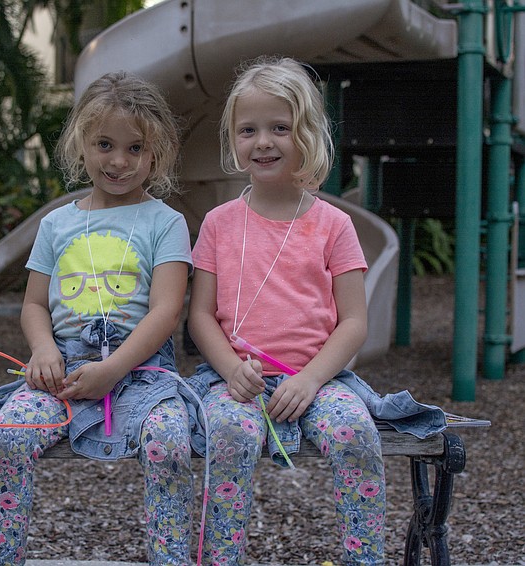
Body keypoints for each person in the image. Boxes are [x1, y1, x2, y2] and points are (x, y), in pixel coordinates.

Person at [0, 71, 194, 565]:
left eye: (135, 148)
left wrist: (114, 368)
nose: (118, 161)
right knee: (8, 437)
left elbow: (166, 311)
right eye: (104, 145)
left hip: (142, 371)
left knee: (168, 442)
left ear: (157, 152)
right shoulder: (57, 223)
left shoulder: (166, 222)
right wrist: (43, 350)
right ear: (81, 143)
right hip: (64, 371)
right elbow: (34, 304)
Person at [183, 55, 387, 565]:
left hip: (318, 379)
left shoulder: (334, 225)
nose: (263, 142)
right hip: (235, 381)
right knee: (228, 435)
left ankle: (364, 558)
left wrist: (312, 379)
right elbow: (200, 315)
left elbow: (354, 321)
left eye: (280, 127)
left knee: (356, 434)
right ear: (233, 139)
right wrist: (230, 369)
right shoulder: (219, 224)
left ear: (308, 134)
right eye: (248, 130)